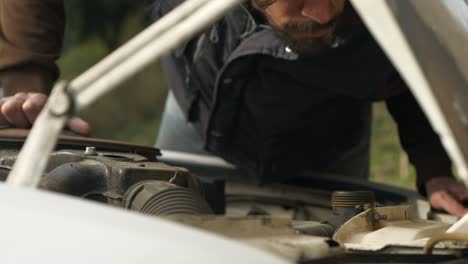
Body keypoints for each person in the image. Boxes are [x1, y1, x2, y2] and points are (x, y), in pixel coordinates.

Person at [0, 0, 467, 216]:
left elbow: (415, 58)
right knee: (170, 224)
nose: (325, 13)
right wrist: (26, 82)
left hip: (329, 130)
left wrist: (433, 165)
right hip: (195, 118)